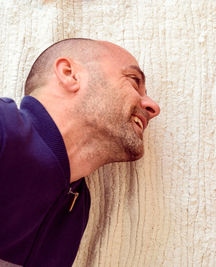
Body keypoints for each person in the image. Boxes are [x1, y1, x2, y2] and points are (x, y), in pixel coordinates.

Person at [0, 38, 160, 267]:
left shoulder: (77, 205)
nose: (153, 107)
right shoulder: (3, 127)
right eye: (134, 81)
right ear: (69, 74)